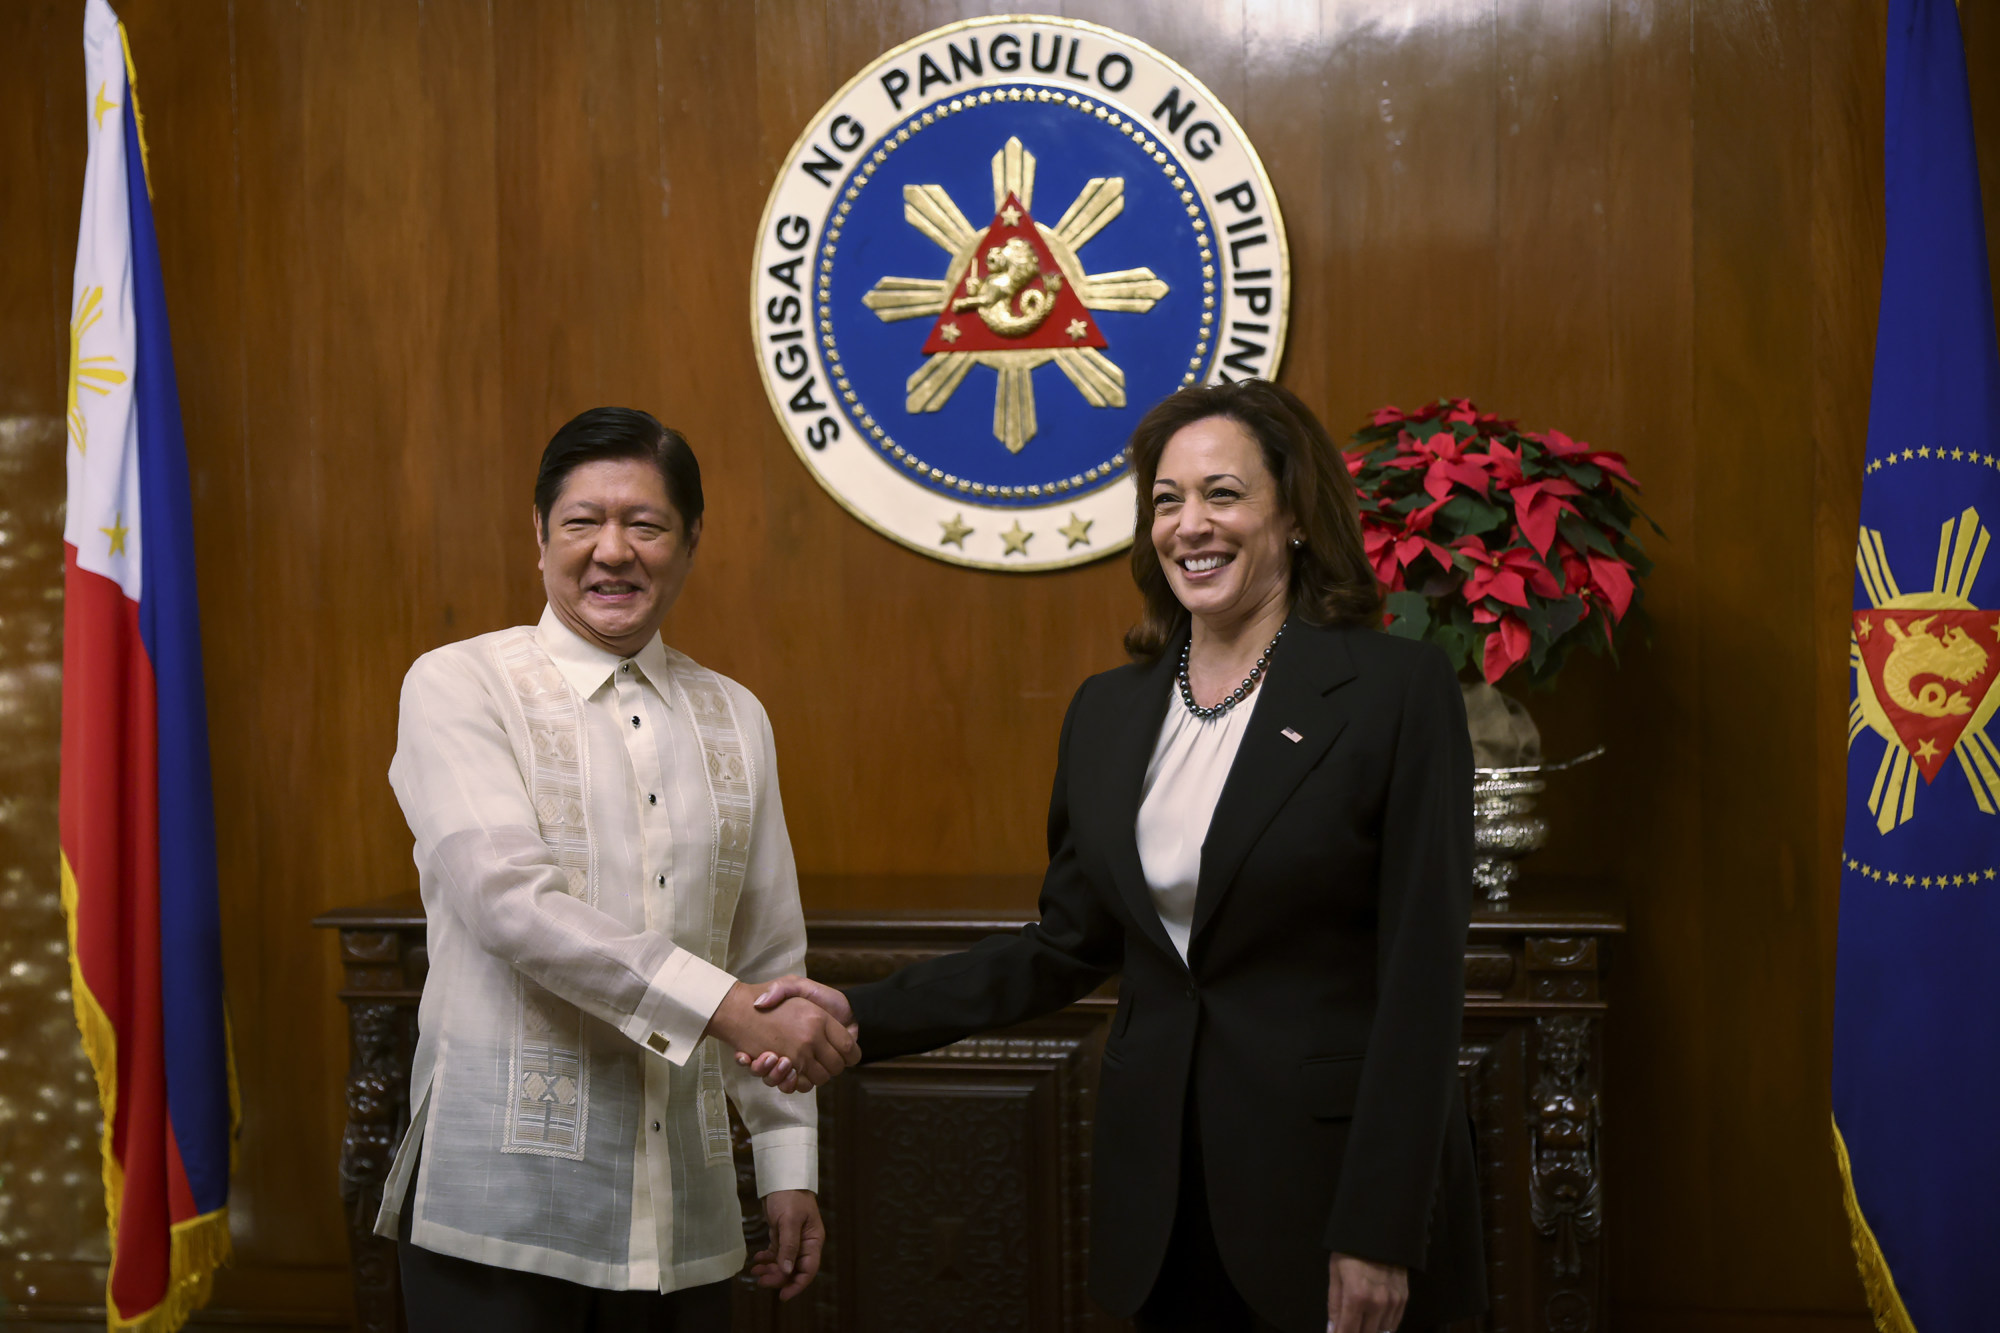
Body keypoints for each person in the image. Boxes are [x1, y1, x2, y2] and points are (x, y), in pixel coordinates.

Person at [741, 381, 1485, 1333]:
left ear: (1293, 514)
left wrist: (1381, 1226)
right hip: (1162, 1200)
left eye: (1223, 493)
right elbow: (1064, 943)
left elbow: (1422, 980)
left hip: (1333, 1193)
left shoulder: (1394, 690)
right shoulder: (1109, 710)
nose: (1190, 525)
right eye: (1167, 500)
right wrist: (862, 1012)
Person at [376, 407, 856, 1332]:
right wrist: (723, 1006)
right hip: (502, 1212)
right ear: (539, 536)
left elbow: (767, 946)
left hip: (690, 1215)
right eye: (581, 523)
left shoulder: (736, 715)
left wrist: (788, 1162)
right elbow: (510, 903)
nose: (612, 552)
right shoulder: (458, 683)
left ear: (690, 541)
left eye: (645, 524)